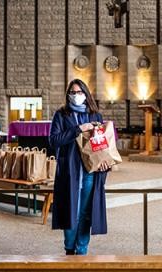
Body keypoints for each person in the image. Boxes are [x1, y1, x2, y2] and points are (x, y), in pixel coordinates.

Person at [49, 78, 111, 255]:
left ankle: (82, 248)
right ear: (68, 95)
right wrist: (78, 129)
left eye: (80, 92)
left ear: (86, 94)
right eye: (73, 92)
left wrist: (104, 160)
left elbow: (102, 143)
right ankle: (69, 248)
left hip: (90, 171)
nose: (76, 96)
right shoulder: (61, 115)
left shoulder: (95, 115)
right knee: (71, 211)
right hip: (70, 170)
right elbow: (54, 141)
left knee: (85, 212)